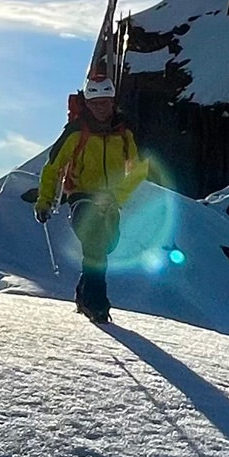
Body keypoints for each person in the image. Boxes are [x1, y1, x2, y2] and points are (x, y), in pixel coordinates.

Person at [35, 76, 147, 323]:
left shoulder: (123, 131)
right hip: (81, 196)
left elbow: (138, 169)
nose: (100, 108)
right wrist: (45, 201)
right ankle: (97, 305)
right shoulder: (76, 131)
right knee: (95, 243)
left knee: (108, 245)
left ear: (112, 101)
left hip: (110, 199)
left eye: (104, 103)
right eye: (95, 103)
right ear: (87, 103)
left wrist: (117, 196)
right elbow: (53, 167)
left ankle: (84, 293)